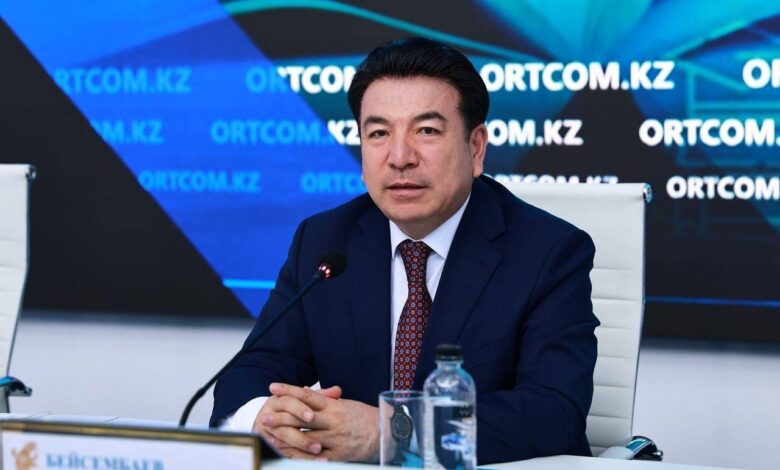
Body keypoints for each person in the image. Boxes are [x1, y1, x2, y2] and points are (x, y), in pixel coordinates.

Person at [211, 37, 598, 465]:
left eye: (426, 131)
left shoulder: (549, 252)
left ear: (475, 148)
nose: (399, 157)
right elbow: (251, 372)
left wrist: (393, 433)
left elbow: (553, 413)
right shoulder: (325, 241)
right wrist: (268, 420)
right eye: (379, 133)